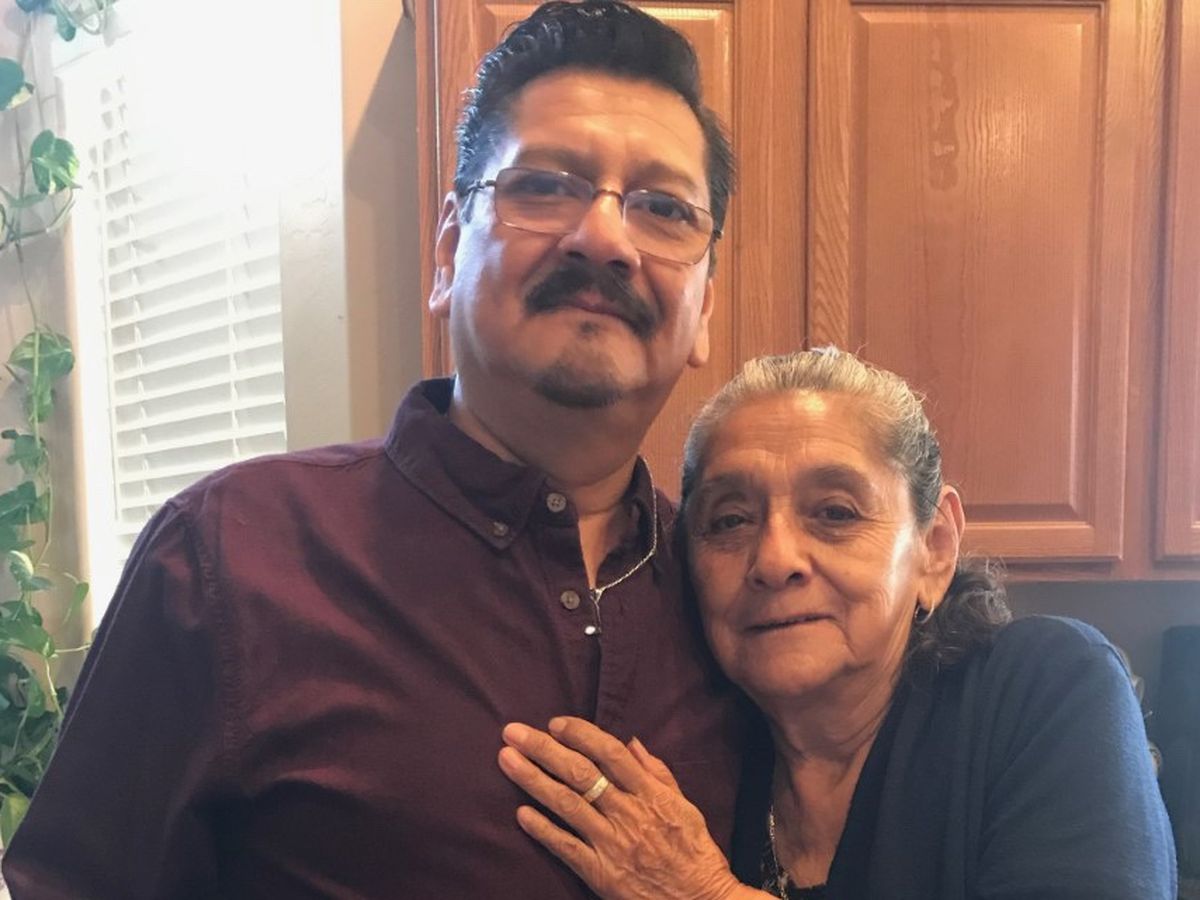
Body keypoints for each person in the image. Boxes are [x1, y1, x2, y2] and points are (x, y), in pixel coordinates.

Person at [2, 3, 749, 896]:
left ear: (705, 308)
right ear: (447, 253)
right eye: (545, 186)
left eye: (663, 208)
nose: (605, 237)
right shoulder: (228, 556)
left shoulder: (746, 606)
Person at [499, 347, 1178, 899]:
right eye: (729, 520)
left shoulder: (1044, 687)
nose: (774, 560)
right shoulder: (707, 747)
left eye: (835, 513)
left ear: (935, 546)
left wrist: (702, 892)